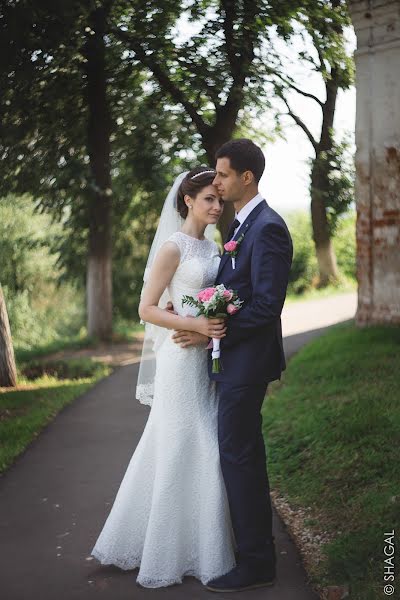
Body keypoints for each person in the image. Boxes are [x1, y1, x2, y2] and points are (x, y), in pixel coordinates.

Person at [90, 167, 237, 588]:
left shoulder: (214, 248)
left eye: (219, 200)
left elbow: (213, 304)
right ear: (188, 200)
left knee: (203, 439)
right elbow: (146, 308)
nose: (216, 206)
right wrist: (194, 328)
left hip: (203, 357)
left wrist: (210, 327)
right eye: (209, 198)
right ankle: (164, 551)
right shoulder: (173, 248)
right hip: (178, 358)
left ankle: (204, 544)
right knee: (181, 441)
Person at [172, 138, 293, 593]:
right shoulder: (242, 226)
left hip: (248, 363)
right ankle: (255, 552)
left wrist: (211, 328)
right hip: (234, 361)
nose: (216, 183)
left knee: (238, 458)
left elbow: (266, 305)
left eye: (222, 175)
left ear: (246, 177)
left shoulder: (268, 228)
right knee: (242, 458)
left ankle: (258, 563)